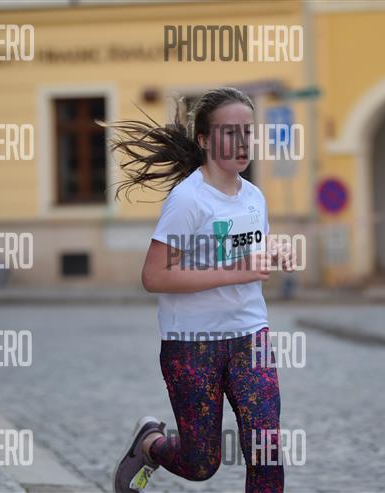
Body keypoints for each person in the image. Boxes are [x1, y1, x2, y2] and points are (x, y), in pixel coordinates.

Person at [109, 87, 293, 493]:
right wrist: (237, 271)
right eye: (230, 132)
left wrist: (274, 248)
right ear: (205, 140)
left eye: (248, 131)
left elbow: (247, 247)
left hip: (250, 335)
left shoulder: (254, 196)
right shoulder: (187, 200)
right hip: (192, 343)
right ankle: (150, 444)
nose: (242, 141)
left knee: (266, 448)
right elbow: (155, 276)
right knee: (200, 463)